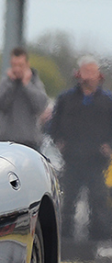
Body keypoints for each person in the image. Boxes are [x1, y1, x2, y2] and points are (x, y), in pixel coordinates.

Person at [48, 56, 112, 242]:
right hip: (72, 159)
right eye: (86, 71)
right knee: (68, 201)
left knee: (98, 201)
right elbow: (54, 125)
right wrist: (59, 141)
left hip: (96, 162)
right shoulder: (66, 99)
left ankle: (99, 239)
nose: (89, 76)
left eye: (92, 72)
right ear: (78, 74)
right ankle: (64, 239)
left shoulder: (107, 101)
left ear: (99, 75)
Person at [0, 47, 48, 149]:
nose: (17, 69)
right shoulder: (5, 82)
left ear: (27, 64)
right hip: (6, 141)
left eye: (20, 65)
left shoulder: (35, 82)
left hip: (29, 142)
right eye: (14, 65)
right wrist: (11, 84)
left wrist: (26, 85)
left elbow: (40, 106)